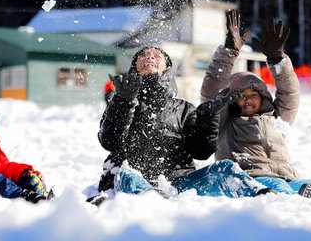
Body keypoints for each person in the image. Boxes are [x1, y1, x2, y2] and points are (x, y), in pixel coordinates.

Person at [90, 46, 268, 205]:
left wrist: (209, 117)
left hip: (179, 185)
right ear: (134, 66)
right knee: (127, 174)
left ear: (166, 68)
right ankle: (153, 200)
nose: (149, 57)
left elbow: (201, 152)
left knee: (225, 168)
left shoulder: (184, 109)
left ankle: (265, 197)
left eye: (157, 56)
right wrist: (123, 102)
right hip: (132, 183)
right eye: (143, 55)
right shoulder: (122, 102)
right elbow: (110, 141)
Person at [200, 11, 311, 198]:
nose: (247, 99)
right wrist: (229, 52)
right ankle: (297, 200)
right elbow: (212, 92)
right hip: (252, 177)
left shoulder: (276, 117)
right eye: (241, 95)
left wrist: (278, 61)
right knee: (280, 188)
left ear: (263, 97)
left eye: (253, 95)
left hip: (287, 175)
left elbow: (290, 94)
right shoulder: (225, 120)